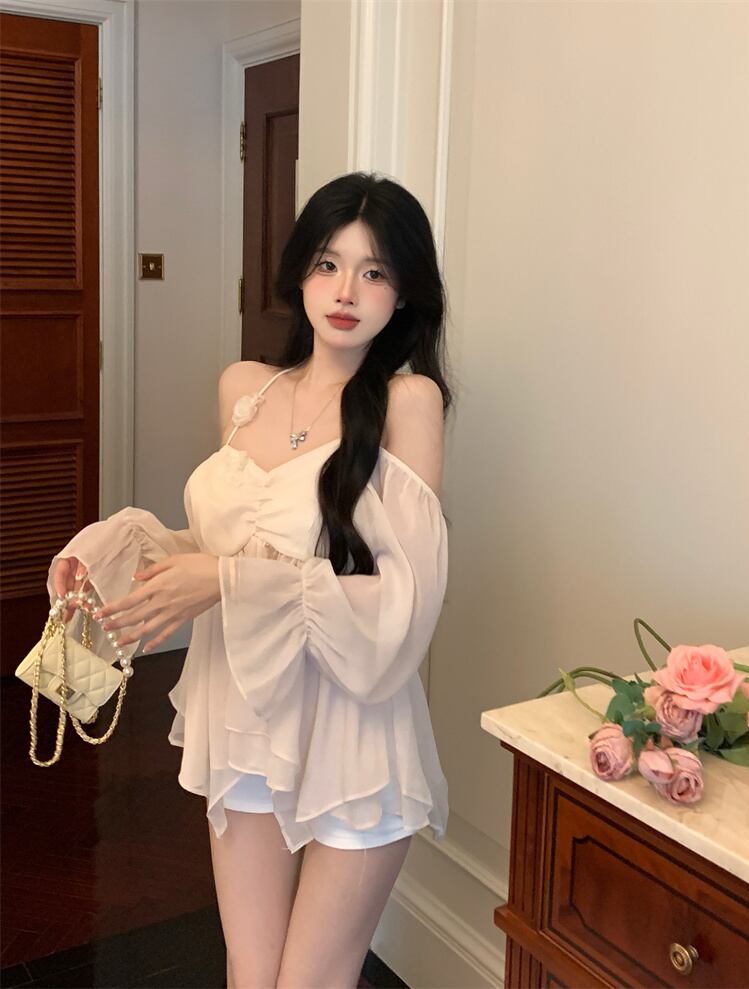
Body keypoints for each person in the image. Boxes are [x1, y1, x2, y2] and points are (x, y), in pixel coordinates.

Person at [50, 171, 454, 988]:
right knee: (251, 969)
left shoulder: (408, 401)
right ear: (299, 270)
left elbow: (403, 602)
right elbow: (218, 546)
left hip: (351, 724)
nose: (346, 291)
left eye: (374, 271)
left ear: (404, 290)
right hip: (241, 715)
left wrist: (227, 580)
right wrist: (114, 554)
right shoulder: (243, 389)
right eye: (328, 263)